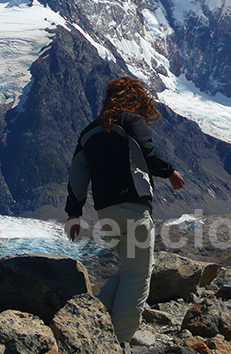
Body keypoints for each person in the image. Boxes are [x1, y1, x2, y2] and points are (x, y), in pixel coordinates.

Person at [65, 77, 184, 343]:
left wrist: (74, 214)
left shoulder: (89, 132)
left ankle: (95, 317)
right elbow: (149, 153)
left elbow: (76, 175)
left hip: (107, 215)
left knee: (129, 267)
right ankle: (118, 342)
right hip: (133, 208)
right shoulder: (130, 121)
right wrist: (170, 172)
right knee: (138, 276)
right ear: (135, 99)